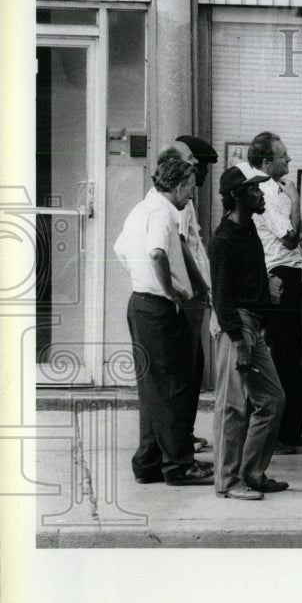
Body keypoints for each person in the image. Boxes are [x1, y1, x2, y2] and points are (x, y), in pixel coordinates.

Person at [113, 157, 211, 487]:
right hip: (158, 308)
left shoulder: (141, 208)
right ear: (180, 186)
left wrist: (145, 281)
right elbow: (157, 253)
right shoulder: (163, 213)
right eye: (191, 190)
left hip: (140, 303)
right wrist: (171, 291)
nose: (191, 198)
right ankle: (179, 465)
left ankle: (148, 461)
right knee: (173, 387)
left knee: (153, 388)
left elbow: (120, 250)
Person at [209, 162, 289, 500]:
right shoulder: (223, 239)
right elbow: (222, 297)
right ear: (237, 196)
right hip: (235, 327)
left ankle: (252, 472)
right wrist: (239, 341)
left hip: (252, 323)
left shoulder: (249, 230)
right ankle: (228, 481)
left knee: (272, 399)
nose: (261, 194)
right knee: (232, 406)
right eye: (254, 189)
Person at [247, 131, 302, 453]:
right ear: (267, 161)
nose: (289, 159)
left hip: (293, 273)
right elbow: (289, 237)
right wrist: (297, 201)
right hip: (280, 273)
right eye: (283, 155)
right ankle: (280, 432)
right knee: (283, 353)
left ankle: (290, 429)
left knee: (292, 352)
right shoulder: (267, 193)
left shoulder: (276, 190)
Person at [175, 135, 219, 456]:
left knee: (195, 366)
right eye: (202, 167)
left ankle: (185, 434)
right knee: (187, 369)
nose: (203, 175)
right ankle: (180, 437)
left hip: (196, 295)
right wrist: (199, 286)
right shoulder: (179, 203)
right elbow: (178, 246)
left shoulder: (187, 202)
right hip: (188, 297)